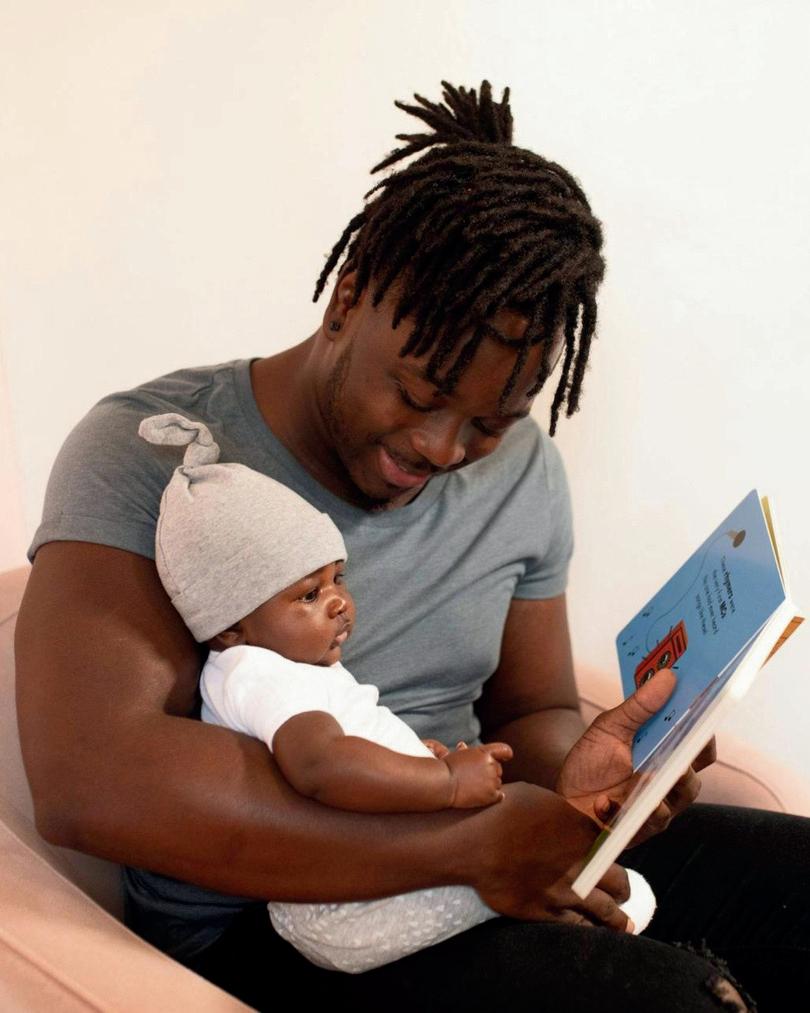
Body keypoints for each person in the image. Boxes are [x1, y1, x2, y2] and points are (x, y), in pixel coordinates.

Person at [16, 78, 809, 1011]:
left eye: (490, 422)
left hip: (477, 843)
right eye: (419, 393)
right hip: (275, 919)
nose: (442, 449)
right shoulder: (153, 452)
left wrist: (589, 777)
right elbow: (92, 779)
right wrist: (464, 844)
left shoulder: (524, 471)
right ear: (348, 298)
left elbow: (531, 710)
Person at [137, 409, 515, 971]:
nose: (339, 601)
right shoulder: (255, 671)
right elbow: (322, 765)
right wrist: (446, 782)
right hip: (339, 905)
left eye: (338, 578)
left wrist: (411, 758)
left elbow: (349, 747)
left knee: (525, 851)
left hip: (358, 882)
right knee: (522, 860)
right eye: (308, 595)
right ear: (229, 626)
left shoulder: (292, 665)